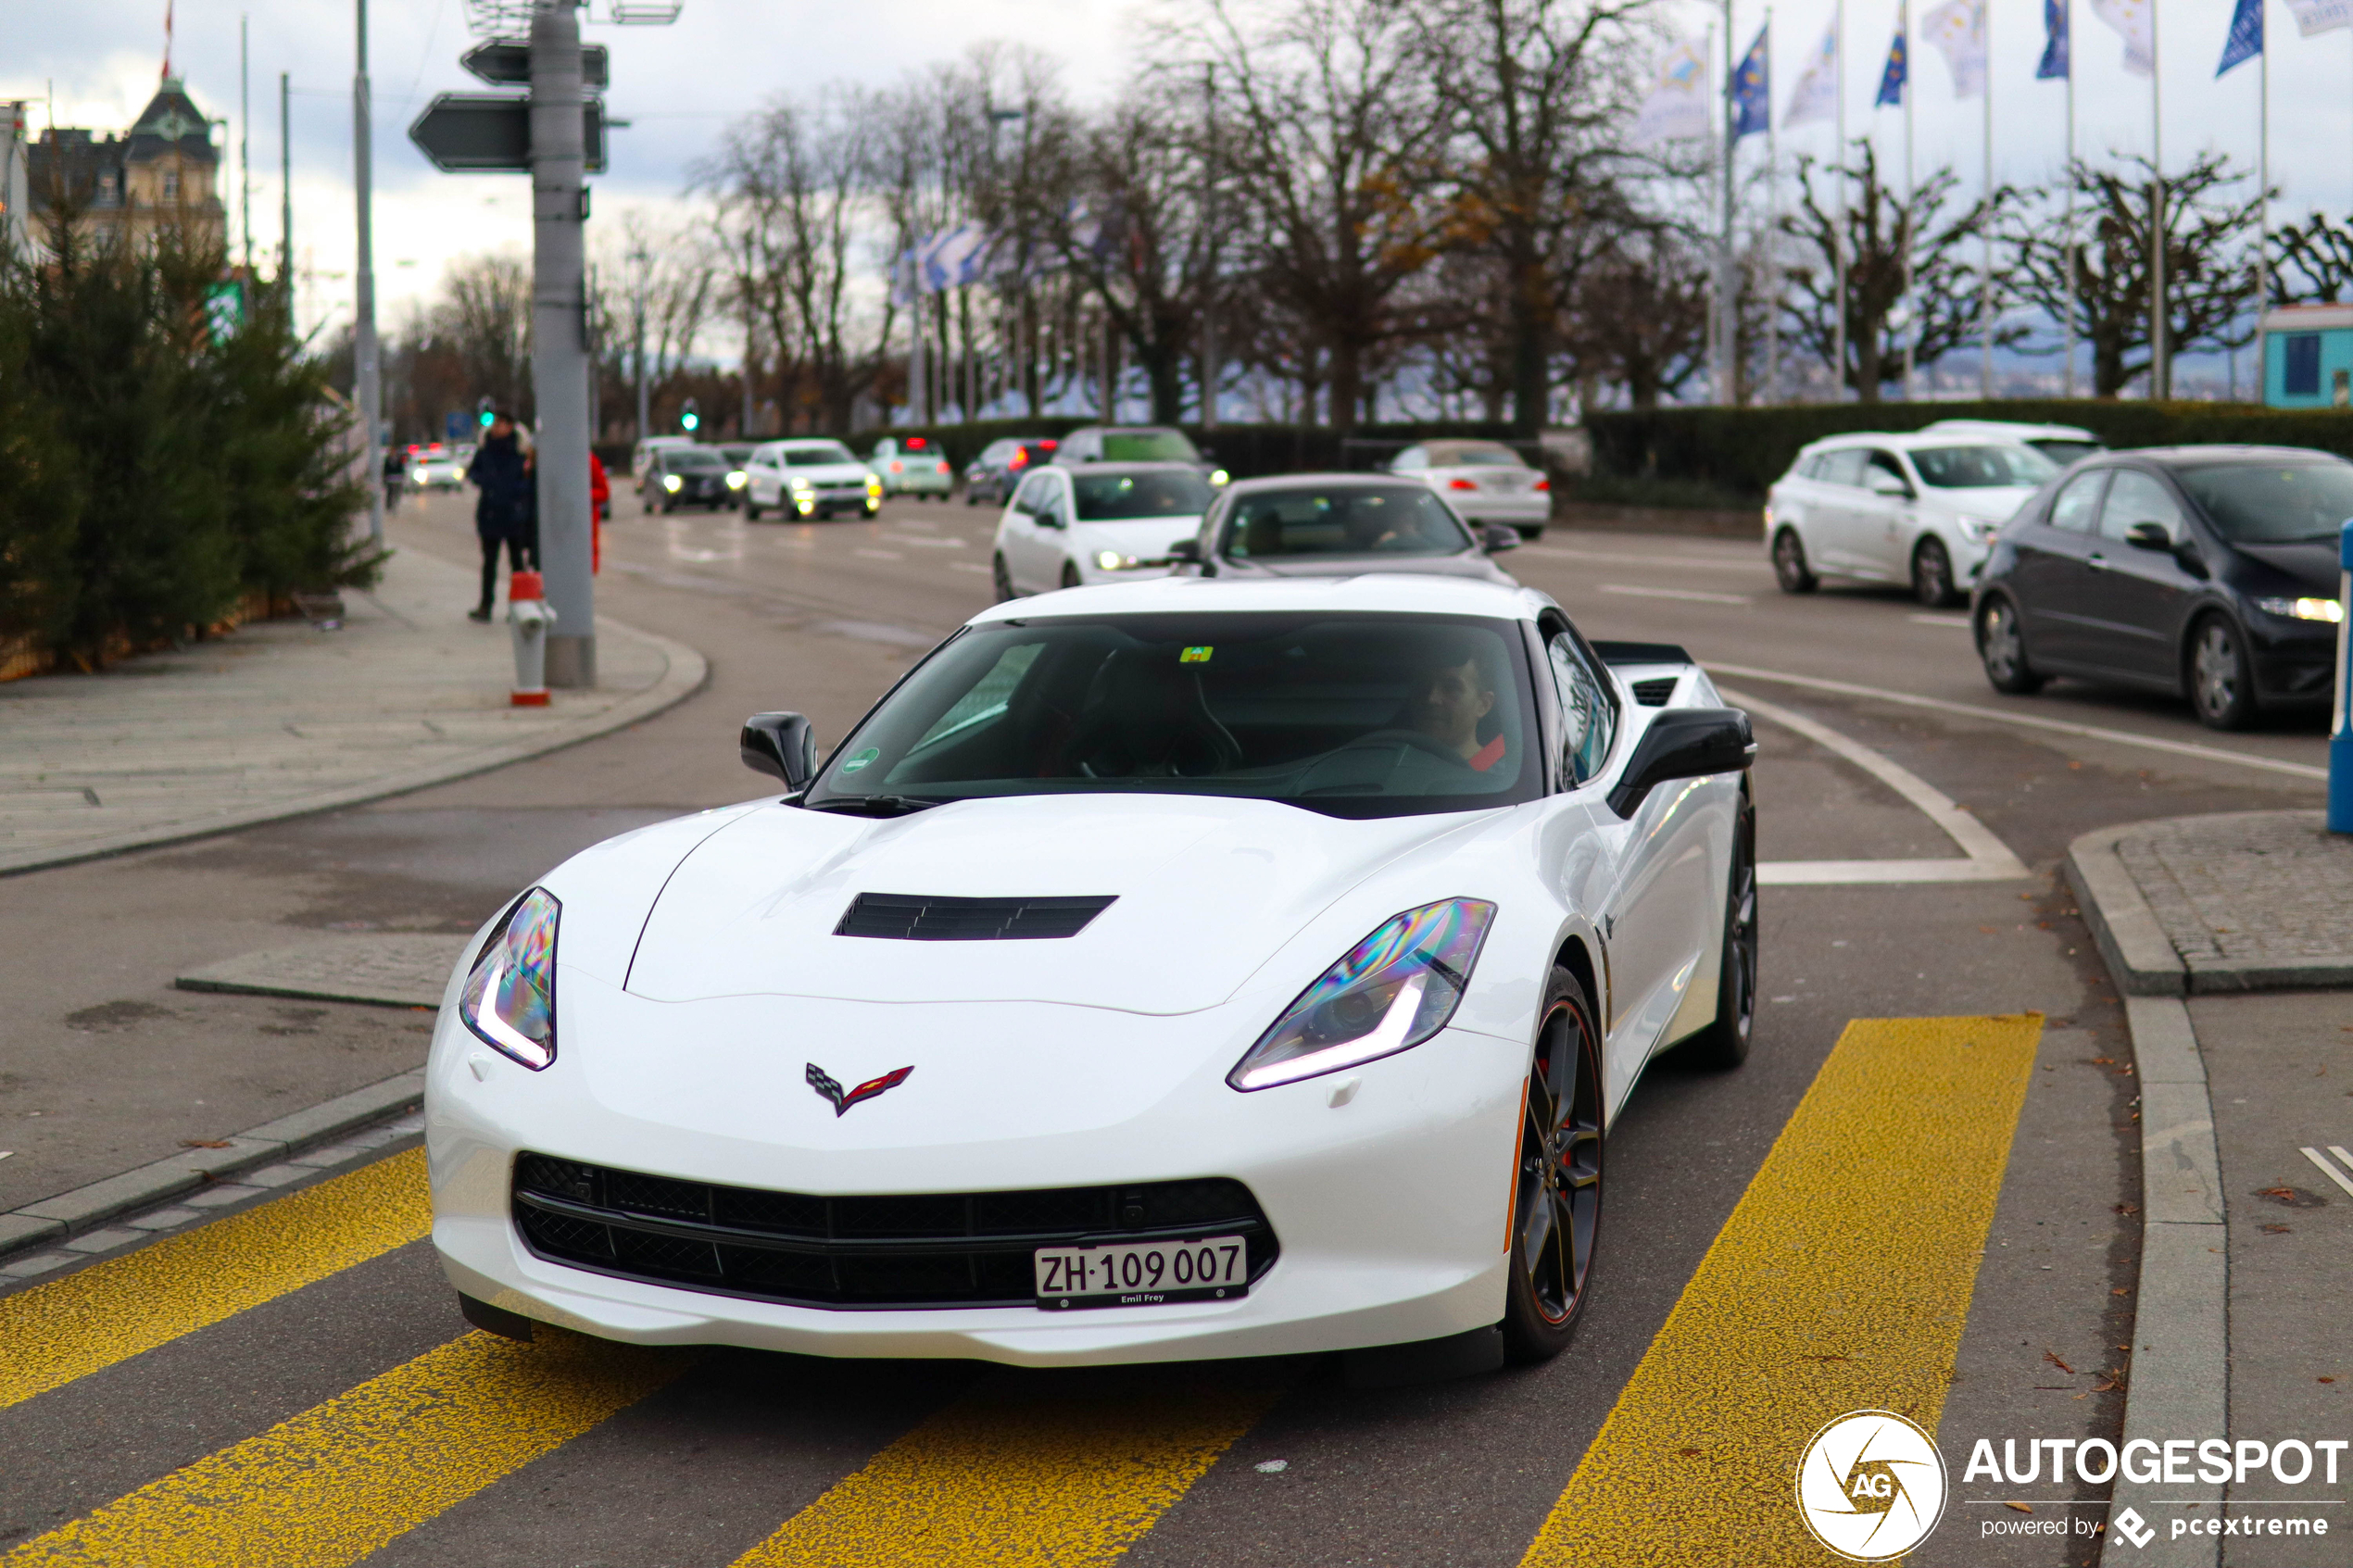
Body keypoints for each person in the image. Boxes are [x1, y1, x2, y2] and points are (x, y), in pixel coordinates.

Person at [465, 415, 535, 621]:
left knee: (517, 564)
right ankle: (486, 606)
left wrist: (517, 491)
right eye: (495, 424)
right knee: (489, 563)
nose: (497, 428)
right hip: (490, 513)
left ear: (511, 426)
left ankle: (519, 607)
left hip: (513, 514)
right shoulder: (485, 450)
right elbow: (473, 473)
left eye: (502, 424)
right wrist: (485, 482)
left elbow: (529, 480)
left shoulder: (519, 451)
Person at [1401, 638, 1505, 771]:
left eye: (1451, 689)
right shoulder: (1386, 769)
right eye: (1424, 686)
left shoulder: (1505, 781)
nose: (1431, 698)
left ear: (1483, 705)